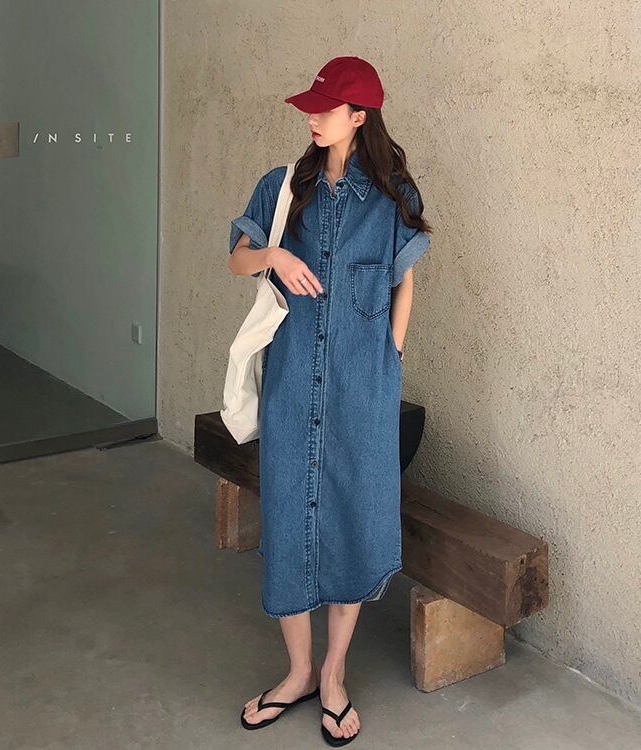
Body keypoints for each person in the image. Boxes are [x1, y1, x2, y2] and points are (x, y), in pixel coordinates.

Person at [228, 57, 433, 745]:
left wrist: (392, 354)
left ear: (359, 116)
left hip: (362, 386)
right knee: (289, 516)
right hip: (292, 383)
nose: (313, 118)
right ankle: (297, 674)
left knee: (351, 518)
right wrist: (274, 258)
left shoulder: (393, 195)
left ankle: (334, 675)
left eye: (327, 108)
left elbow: (404, 279)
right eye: (311, 107)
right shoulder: (283, 187)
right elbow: (237, 256)